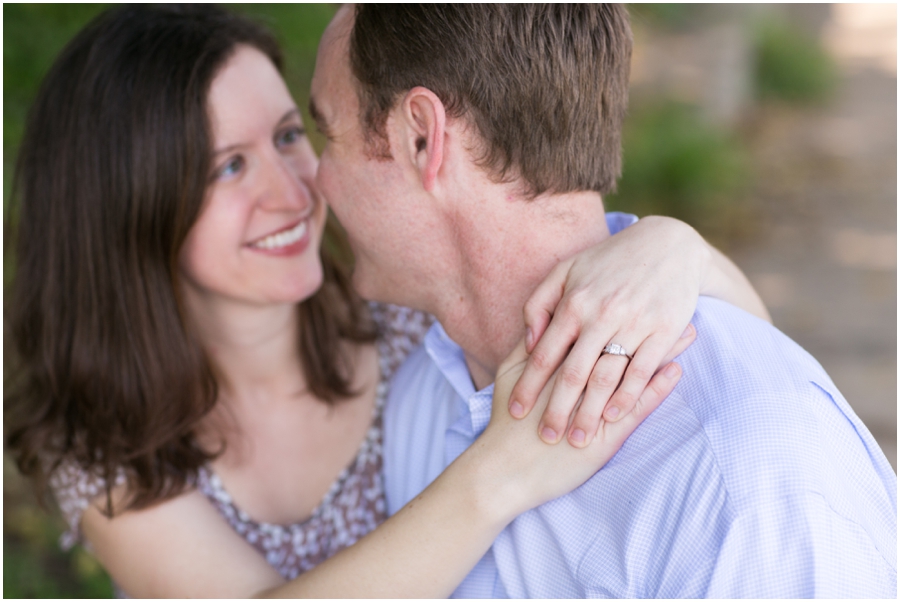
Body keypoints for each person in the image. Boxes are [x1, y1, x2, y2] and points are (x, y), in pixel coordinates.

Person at [4, 5, 772, 598]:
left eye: (288, 135)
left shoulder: (416, 330)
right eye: (229, 167)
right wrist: (501, 470)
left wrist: (675, 248)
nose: (292, 188)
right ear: (125, 208)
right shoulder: (105, 448)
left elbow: (760, 361)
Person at [309, 4, 898, 598]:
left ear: (421, 138)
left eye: (327, 133)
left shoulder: (750, 480)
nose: (315, 180)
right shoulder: (423, 392)